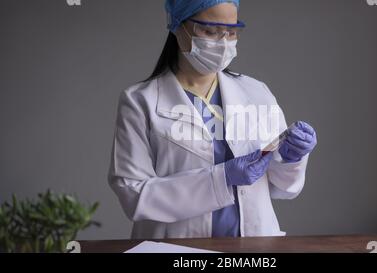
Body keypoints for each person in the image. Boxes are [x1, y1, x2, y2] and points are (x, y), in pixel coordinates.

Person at [108, 0, 317, 239]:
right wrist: (222, 178)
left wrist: (291, 159)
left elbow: (283, 188)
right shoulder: (139, 101)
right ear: (177, 26)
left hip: (253, 249)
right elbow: (133, 195)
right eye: (210, 31)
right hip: (178, 247)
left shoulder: (257, 92)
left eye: (231, 31)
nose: (223, 42)